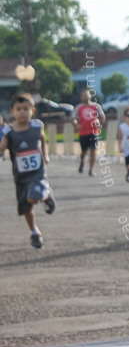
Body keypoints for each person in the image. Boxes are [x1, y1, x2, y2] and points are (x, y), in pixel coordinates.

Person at [1, 94, 56, 248]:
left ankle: (46, 195)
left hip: (37, 172)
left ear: (32, 110)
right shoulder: (9, 131)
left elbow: (42, 138)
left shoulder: (37, 126)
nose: (22, 112)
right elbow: (2, 148)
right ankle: (34, 232)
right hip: (20, 176)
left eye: (26, 109)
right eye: (18, 109)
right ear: (12, 111)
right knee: (26, 206)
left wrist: (45, 155)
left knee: (33, 197)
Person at [73, 88, 105, 176]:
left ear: (90, 96)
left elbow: (102, 116)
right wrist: (76, 125)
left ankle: (91, 169)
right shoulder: (78, 107)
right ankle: (82, 162)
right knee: (84, 151)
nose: (85, 97)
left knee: (93, 150)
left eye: (87, 94)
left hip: (93, 131)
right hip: (83, 132)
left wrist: (100, 123)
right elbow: (74, 119)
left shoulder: (96, 106)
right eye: (83, 95)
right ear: (81, 97)